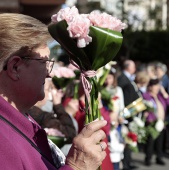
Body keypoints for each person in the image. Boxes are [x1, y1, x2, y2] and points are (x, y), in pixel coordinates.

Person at [0, 13, 107, 170]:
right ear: (15, 67)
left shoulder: (21, 116)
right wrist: (76, 167)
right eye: (45, 63)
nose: (50, 73)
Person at [117, 59, 140, 170]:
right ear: (128, 67)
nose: (135, 69)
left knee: (130, 137)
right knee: (126, 137)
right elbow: (121, 95)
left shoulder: (129, 78)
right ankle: (125, 164)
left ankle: (128, 162)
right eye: (133, 66)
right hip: (126, 112)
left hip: (131, 112)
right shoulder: (122, 78)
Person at [142, 78, 169, 166]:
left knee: (160, 142)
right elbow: (145, 107)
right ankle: (148, 158)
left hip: (161, 123)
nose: (157, 87)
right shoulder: (147, 95)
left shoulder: (160, 96)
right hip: (152, 123)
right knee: (150, 142)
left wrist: (165, 93)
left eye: (158, 85)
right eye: (155, 86)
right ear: (150, 87)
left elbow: (168, 103)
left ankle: (159, 157)